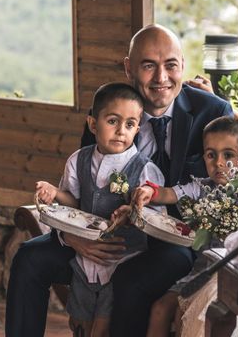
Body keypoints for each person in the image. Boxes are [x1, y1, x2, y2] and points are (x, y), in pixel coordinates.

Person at [6, 24, 234, 337]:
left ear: (183, 65)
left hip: (175, 244)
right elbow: (80, 189)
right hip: (102, 234)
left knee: (130, 277)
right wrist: (73, 238)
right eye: (148, 65)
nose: (161, 78)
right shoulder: (108, 109)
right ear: (128, 68)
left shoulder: (213, 111)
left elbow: (228, 187)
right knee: (30, 258)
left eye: (170, 65)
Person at [35, 82, 165, 337]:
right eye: (113, 121)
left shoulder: (145, 170)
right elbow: (73, 205)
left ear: (138, 129)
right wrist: (55, 193)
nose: (121, 131)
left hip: (122, 260)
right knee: (79, 320)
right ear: (93, 125)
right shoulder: (78, 160)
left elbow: (157, 220)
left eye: (129, 125)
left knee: (102, 325)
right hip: (84, 260)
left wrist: (133, 212)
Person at [125, 116, 238, 337]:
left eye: (229, 155)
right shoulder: (202, 188)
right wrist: (150, 191)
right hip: (201, 270)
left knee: (187, 315)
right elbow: (171, 193)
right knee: (160, 310)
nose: (219, 163)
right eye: (211, 155)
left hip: (232, 275)